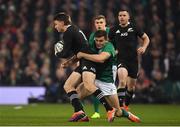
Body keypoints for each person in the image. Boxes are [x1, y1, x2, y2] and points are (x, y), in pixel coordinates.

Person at [53, 12, 116, 122]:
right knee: (68, 86)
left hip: (88, 61)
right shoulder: (73, 29)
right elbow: (79, 50)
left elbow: (65, 52)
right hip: (83, 61)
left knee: (88, 85)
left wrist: (57, 53)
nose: (55, 26)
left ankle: (110, 109)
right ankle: (80, 112)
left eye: (56, 24)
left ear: (62, 23)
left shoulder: (68, 32)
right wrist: (69, 62)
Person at [76, 30, 140, 123]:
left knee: (118, 112)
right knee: (76, 96)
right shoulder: (92, 44)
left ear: (106, 40)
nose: (98, 43)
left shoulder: (109, 46)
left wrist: (83, 55)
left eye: (101, 41)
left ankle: (129, 115)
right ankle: (82, 116)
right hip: (94, 79)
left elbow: (100, 59)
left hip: (106, 82)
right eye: (97, 40)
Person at [109, 9, 150, 110]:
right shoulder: (114, 29)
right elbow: (108, 43)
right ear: (118, 17)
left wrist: (144, 47)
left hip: (133, 61)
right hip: (121, 60)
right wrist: (113, 50)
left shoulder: (134, 27)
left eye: (124, 15)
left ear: (128, 17)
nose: (122, 17)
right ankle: (119, 107)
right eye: (120, 15)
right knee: (122, 82)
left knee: (131, 87)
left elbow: (146, 38)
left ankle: (126, 105)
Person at [88, 15, 110, 119]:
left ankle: (114, 109)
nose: (99, 25)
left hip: (111, 64)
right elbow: (90, 50)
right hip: (97, 63)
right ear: (94, 24)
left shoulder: (111, 32)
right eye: (97, 23)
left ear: (105, 23)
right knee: (95, 87)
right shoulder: (93, 36)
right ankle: (97, 112)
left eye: (101, 22)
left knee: (110, 89)